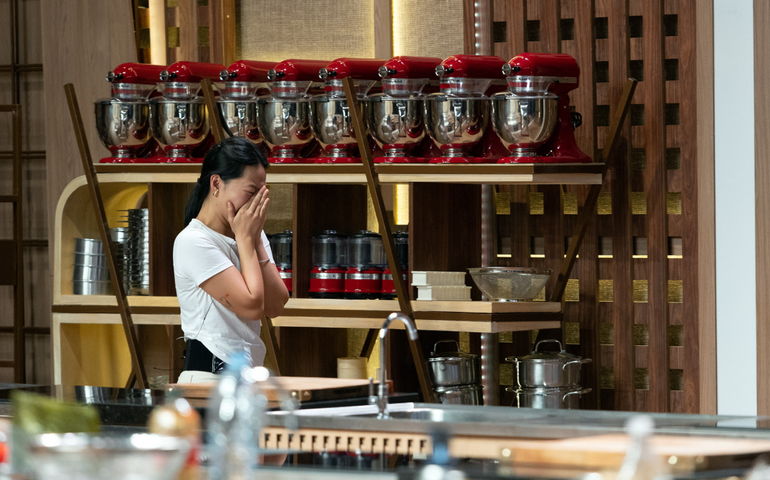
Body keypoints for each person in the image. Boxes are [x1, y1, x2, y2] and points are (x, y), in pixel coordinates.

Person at [173, 137, 290, 383]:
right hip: (208, 378)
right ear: (216, 183)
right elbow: (252, 307)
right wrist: (247, 239)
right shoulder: (193, 241)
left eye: (262, 192)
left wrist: (255, 239)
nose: (258, 202)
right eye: (251, 192)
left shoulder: (248, 232)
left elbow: (276, 304)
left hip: (244, 378)